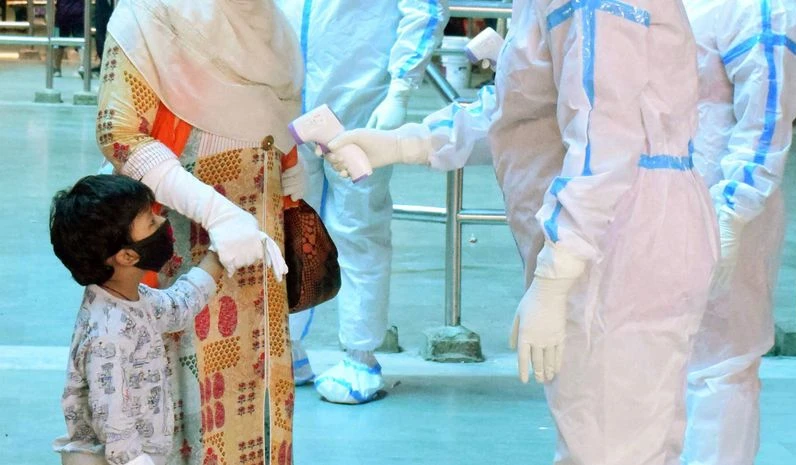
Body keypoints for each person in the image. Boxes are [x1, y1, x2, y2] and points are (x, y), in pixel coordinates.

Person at [328, 0, 719, 463]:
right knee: (616, 439)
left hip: (619, 241)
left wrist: (557, 276)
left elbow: (605, 142)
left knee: (613, 446)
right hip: (612, 235)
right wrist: (408, 143)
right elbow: (523, 109)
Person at [97, 0, 304, 463]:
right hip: (177, 253)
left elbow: (275, 124)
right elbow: (120, 134)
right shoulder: (152, 13)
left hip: (258, 259)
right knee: (177, 407)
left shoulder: (274, 22)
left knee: (258, 395)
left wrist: (296, 163)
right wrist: (215, 211)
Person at [278, 0, 448, 404]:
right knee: (287, 220)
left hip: (358, 103)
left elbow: (425, 8)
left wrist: (401, 89)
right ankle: (288, 343)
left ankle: (361, 355)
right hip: (284, 100)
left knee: (359, 230)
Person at [681, 1, 796, 463]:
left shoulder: (765, 12)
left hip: (723, 201)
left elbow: (764, 123)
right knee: (658, 357)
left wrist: (733, 209)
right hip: (662, 199)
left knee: (720, 364)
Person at [50, 175, 224, 465]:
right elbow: (113, 418)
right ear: (128, 256)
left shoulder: (130, 298)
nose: (162, 222)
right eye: (151, 222)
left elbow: (177, 306)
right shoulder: (109, 331)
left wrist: (221, 254)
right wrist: (136, 460)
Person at [54, 0, 84, 77]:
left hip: (62, 12)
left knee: (58, 41)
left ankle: (57, 68)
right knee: (81, 40)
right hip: (79, 11)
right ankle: (83, 66)